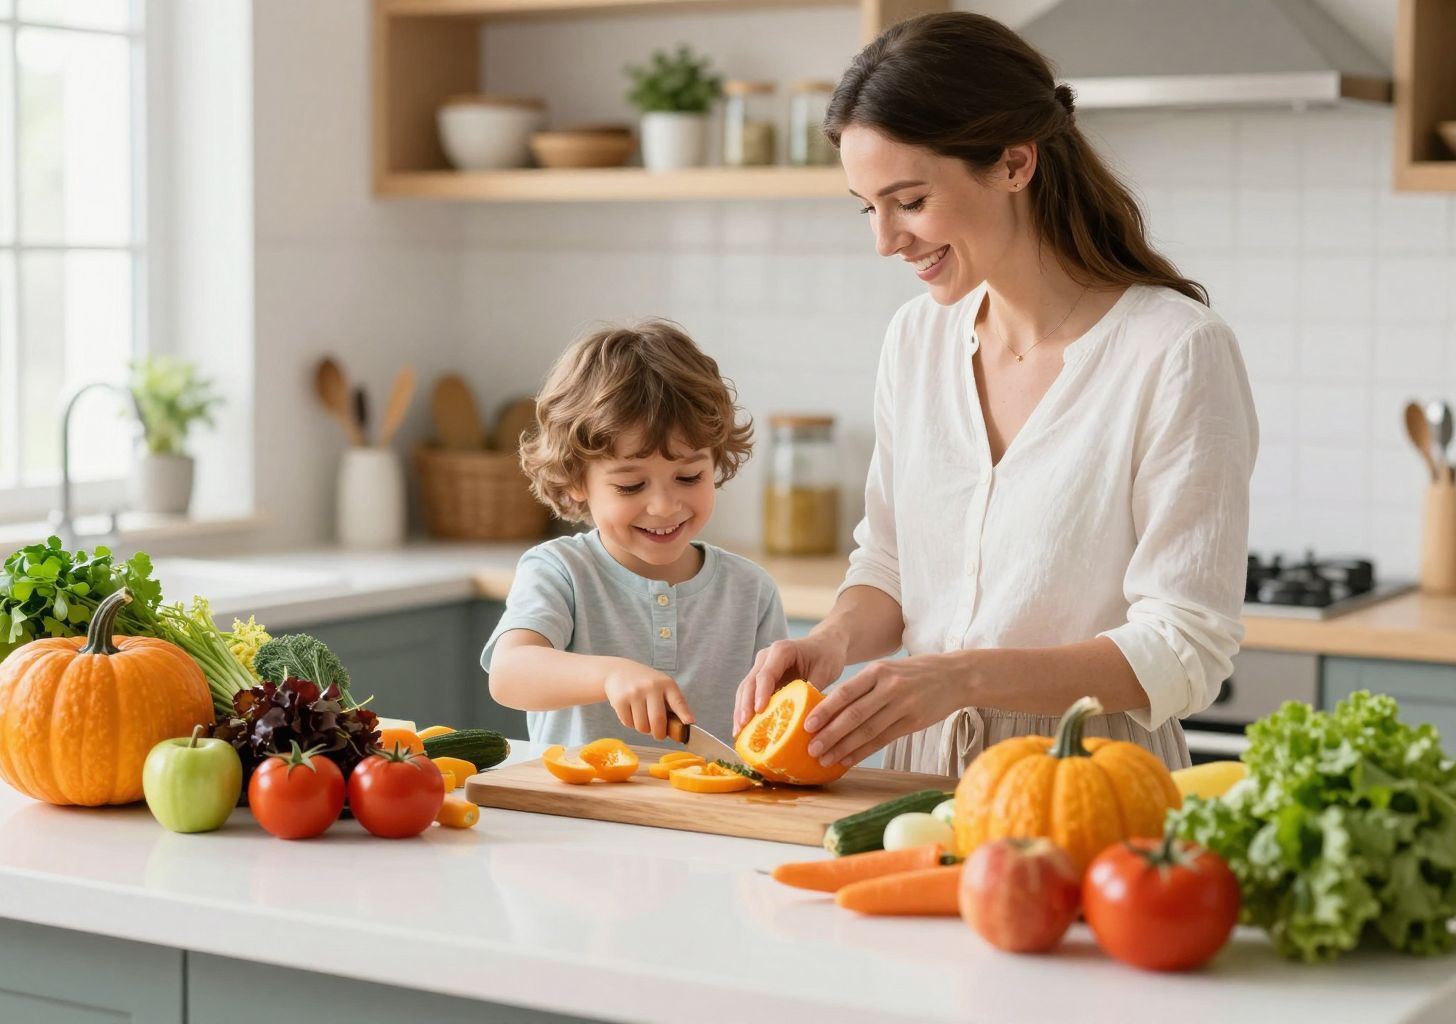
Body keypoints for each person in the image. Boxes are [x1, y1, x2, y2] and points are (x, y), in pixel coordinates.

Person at [734, 12, 1257, 777]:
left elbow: (1185, 644)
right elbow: (888, 563)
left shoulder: (1175, 351)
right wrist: (832, 641)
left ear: (1014, 164)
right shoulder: (916, 340)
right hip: (913, 777)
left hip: (1087, 781)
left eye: (909, 201)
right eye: (866, 206)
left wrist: (960, 677)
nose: (885, 240)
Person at [484, 320, 788, 748]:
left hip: (710, 812)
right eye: (631, 485)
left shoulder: (751, 591)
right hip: (578, 813)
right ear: (576, 480)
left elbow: (778, 720)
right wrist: (610, 674)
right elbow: (509, 674)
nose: (664, 506)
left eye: (688, 476)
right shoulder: (560, 571)